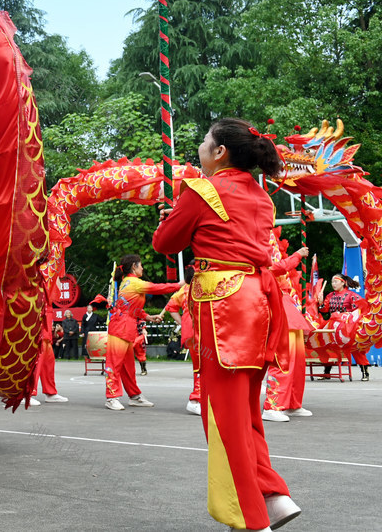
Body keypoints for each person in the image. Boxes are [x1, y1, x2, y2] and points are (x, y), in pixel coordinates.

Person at [154, 117, 301, 531]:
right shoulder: (261, 195)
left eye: (204, 141)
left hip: (222, 305)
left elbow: (166, 244)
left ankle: (251, 519)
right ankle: (273, 495)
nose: (199, 147)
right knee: (245, 410)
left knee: (221, 416)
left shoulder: (202, 189)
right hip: (258, 301)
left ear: (219, 152)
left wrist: (172, 217)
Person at [104, 255, 177, 411]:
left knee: (128, 366)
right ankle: (111, 397)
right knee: (115, 364)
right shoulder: (135, 283)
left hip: (125, 327)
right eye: (140, 265)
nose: (142, 268)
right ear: (133, 267)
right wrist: (180, 285)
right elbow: (159, 288)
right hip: (120, 328)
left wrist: (149, 317)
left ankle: (134, 396)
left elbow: (134, 310)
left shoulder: (126, 283)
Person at [262, 245, 314, 422]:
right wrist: (298, 255)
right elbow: (278, 267)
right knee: (282, 362)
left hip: (290, 313)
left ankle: (292, 403)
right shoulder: (259, 265)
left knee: (298, 364)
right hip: (277, 314)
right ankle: (272, 405)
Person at [318, 274, 372, 381]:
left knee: (354, 347)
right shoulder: (330, 295)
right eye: (332, 282)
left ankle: (365, 371)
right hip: (332, 326)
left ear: (343, 282)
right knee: (326, 343)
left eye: (335, 282)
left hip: (347, 326)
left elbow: (359, 309)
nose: (333, 284)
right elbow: (324, 310)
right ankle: (327, 372)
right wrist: (320, 302)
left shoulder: (351, 295)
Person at [164, 271, 201, 415]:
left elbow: (171, 307)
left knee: (200, 366)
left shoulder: (184, 289)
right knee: (203, 367)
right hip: (200, 330)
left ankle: (200, 399)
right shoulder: (203, 286)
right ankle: (196, 399)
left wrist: (183, 323)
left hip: (191, 330)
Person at [30, 292, 68, 403]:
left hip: (45, 330)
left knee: (48, 363)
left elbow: (55, 294)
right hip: (37, 328)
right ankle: (27, 393)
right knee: (36, 363)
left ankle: (50, 392)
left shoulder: (49, 287)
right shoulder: (38, 280)